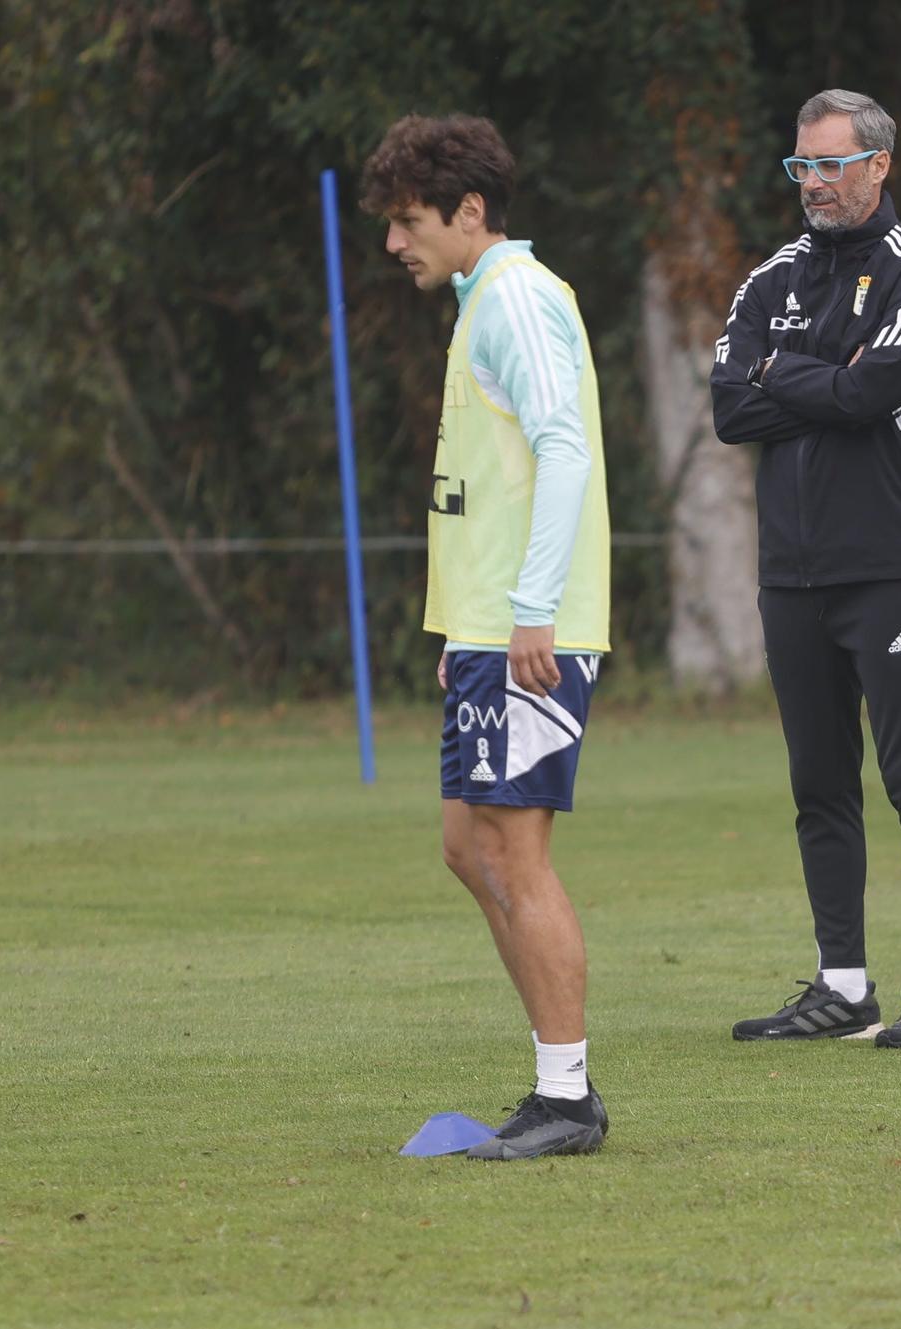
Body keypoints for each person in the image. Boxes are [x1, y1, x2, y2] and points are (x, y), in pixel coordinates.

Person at [362, 114, 613, 1154]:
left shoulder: (514, 298)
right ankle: (554, 1083)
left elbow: (561, 449)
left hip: (531, 633)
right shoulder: (483, 301)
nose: (392, 243)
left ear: (470, 213)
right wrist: (468, 623)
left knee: (514, 850)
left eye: (408, 220)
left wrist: (530, 612)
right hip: (489, 631)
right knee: (469, 848)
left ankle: (565, 1098)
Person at [709, 89, 901, 1049]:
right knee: (820, 782)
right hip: (791, 571)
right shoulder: (768, 277)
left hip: (889, 563)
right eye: (801, 166)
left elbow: (874, 393)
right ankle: (842, 983)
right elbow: (730, 407)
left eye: (829, 164)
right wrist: (814, 378)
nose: (813, 183)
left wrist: (788, 373)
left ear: (877, 166)